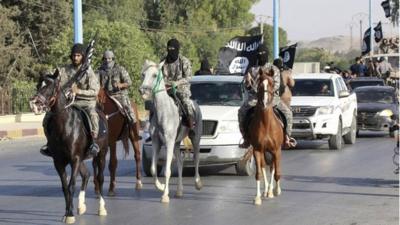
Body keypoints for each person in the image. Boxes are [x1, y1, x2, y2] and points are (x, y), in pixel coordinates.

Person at [40, 43, 100, 157]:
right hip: (67, 102)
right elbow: (54, 78)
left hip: (85, 101)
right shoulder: (64, 70)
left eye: (78, 55)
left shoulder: (88, 71)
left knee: (93, 115)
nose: (75, 58)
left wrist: (79, 91)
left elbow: (95, 91)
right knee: (47, 118)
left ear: (82, 56)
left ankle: (94, 142)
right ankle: (50, 143)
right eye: (74, 55)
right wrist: (47, 73)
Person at [238, 44, 295, 148]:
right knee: (241, 112)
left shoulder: (274, 69)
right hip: (255, 99)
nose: (261, 57)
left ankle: (287, 137)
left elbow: (277, 85)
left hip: (272, 99)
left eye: (263, 54)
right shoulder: (252, 70)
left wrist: (267, 92)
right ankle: (245, 138)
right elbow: (248, 88)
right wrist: (247, 82)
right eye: (259, 55)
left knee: (288, 113)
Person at [161, 38, 194, 129]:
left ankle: (191, 127)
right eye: (169, 48)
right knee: (155, 102)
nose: (171, 51)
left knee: (186, 102)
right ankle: (152, 128)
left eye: (173, 49)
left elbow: (189, 77)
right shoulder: (163, 61)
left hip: (181, 87)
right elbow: (159, 74)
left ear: (177, 49)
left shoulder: (184, 61)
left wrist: (177, 82)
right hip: (166, 87)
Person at [98, 50, 137, 126]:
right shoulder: (100, 70)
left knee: (127, 107)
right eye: (105, 59)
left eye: (109, 59)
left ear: (113, 59)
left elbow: (129, 82)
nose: (107, 61)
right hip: (105, 95)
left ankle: (133, 126)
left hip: (119, 94)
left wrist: (121, 85)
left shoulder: (120, 69)